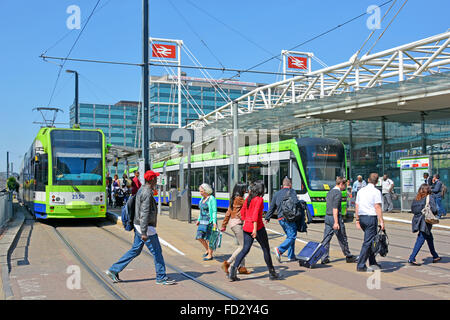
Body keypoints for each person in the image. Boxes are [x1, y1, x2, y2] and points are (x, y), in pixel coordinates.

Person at [106, 170, 176, 285]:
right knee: (157, 252)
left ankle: (114, 270)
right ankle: (161, 277)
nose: (156, 180)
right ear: (152, 180)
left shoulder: (142, 189)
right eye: (155, 178)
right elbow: (144, 212)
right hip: (146, 228)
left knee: (135, 250)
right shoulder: (147, 193)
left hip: (138, 224)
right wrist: (144, 232)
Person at [229, 181, 279, 282]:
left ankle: (233, 270)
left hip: (246, 227)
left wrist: (246, 221)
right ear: (261, 190)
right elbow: (256, 215)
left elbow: (242, 212)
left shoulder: (248, 198)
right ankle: (272, 272)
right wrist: (255, 229)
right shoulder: (259, 199)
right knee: (265, 249)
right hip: (258, 228)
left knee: (245, 249)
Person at [321, 177, 357, 264]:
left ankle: (324, 257)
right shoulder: (338, 193)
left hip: (327, 217)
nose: (345, 187)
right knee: (342, 237)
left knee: (326, 238)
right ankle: (348, 256)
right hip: (335, 217)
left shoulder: (329, 192)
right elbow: (335, 208)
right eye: (344, 185)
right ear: (341, 184)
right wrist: (336, 222)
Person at [355, 173, 385, 272]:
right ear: (377, 182)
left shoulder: (361, 191)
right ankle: (361, 264)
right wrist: (381, 221)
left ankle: (372, 262)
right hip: (371, 218)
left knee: (372, 239)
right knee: (368, 242)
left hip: (362, 217)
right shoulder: (376, 192)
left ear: (368, 180)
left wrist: (357, 219)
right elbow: (377, 207)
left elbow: (357, 206)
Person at [265, 177, 299, 263]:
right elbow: (296, 203)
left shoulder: (277, 193)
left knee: (290, 236)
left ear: (283, 185)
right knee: (292, 236)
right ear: (290, 184)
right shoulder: (292, 191)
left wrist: (267, 217)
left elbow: (272, 206)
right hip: (289, 218)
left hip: (280, 219)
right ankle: (279, 250)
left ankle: (291, 256)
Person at [220, 183, 251, 275]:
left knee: (243, 246)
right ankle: (228, 263)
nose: (245, 191)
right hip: (237, 223)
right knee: (243, 246)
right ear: (241, 190)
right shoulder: (239, 199)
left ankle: (242, 267)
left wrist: (224, 224)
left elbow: (228, 213)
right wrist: (250, 194)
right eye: (245, 189)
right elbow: (248, 204)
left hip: (233, 223)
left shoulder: (233, 198)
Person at [407, 184, 441, 265]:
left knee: (429, 237)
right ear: (428, 190)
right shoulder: (429, 197)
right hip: (425, 221)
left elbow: (413, 209)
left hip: (417, 220)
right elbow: (434, 209)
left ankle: (435, 256)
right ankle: (411, 258)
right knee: (421, 238)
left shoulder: (416, 198)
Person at [195, 183, 217, 261]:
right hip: (202, 221)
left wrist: (214, 222)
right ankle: (207, 249)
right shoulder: (202, 199)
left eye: (201, 191)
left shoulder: (211, 198)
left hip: (209, 221)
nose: (200, 193)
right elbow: (201, 211)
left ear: (206, 191)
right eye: (200, 191)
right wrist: (198, 220)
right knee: (199, 236)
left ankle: (210, 255)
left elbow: (214, 211)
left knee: (209, 238)